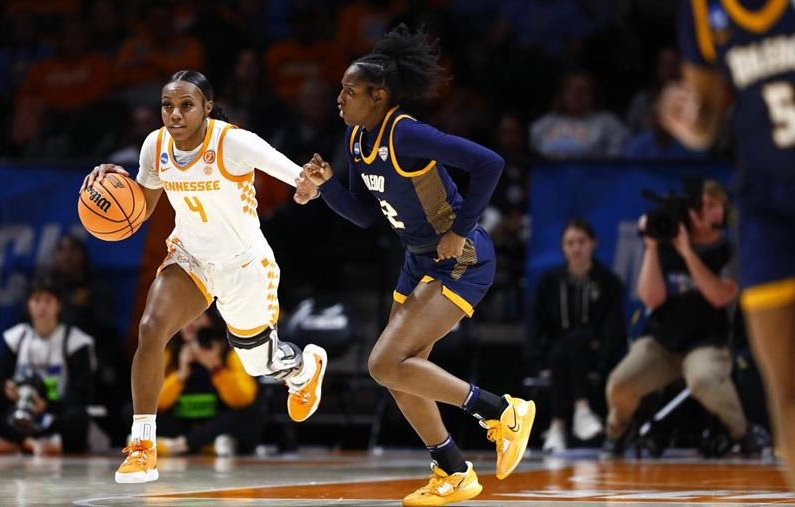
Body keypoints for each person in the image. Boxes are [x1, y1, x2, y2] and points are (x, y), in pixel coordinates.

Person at [299, 25, 536, 507]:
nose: (339, 97)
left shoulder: (406, 133)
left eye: (349, 90)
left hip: (461, 260)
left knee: (383, 362)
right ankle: (453, 471)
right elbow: (365, 215)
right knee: (399, 371)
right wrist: (326, 186)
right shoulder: (355, 141)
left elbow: (488, 163)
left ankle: (501, 411)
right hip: (418, 261)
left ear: (379, 95)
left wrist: (461, 228)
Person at [80, 70, 327, 484]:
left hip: (245, 266)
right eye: (167, 105)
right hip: (191, 257)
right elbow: (137, 209)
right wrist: (110, 180)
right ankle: (142, 446)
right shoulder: (154, 146)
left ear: (207, 107)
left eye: (186, 105)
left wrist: (308, 184)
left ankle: (303, 368)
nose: (174, 114)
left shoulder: (232, 142)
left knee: (255, 362)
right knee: (151, 327)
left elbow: (298, 176)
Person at [662, 0, 795, 487]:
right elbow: (707, 123)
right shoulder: (701, 11)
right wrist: (684, 120)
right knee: (785, 388)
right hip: (765, 206)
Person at [604, 181, 769, 457]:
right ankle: (617, 431)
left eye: (714, 206)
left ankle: (743, 432)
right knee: (620, 382)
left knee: (704, 379)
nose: (707, 212)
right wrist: (653, 248)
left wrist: (687, 253)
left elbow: (720, 295)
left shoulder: (730, 252)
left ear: (724, 212)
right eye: (700, 206)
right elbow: (651, 299)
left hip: (708, 343)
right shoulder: (666, 245)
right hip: (662, 343)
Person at [0, 276, 93, 455]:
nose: (42, 307)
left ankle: (17, 441)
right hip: (18, 414)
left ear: (59, 305)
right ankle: (27, 442)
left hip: (54, 415)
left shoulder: (74, 340)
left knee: (78, 417)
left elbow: (82, 391)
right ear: (29, 304)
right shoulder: (16, 337)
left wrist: (46, 405)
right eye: (37, 300)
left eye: (48, 301)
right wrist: (7, 391)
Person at [526, 218, 626, 452]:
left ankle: (558, 425)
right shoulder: (549, 282)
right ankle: (581, 410)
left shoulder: (609, 282)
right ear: (563, 247)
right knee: (566, 345)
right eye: (570, 243)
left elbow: (614, 329)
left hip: (594, 356)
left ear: (593, 243)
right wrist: (536, 362)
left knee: (577, 339)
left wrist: (602, 358)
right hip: (556, 355)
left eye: (581, 241)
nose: (576, 248)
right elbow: (536, 326)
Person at [153, 309, 262, 456]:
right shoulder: (170, 352)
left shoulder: (230, 352)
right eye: (184, 319)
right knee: (134, 411)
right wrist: (181, 375)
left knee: (249, 413)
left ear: (211, 321)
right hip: (183, 423)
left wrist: (216, 368)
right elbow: (155, 402)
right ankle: (207, 446)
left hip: (217, 421)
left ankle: (179, 445)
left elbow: (243, 399)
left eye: (196, 318)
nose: (190, 324)